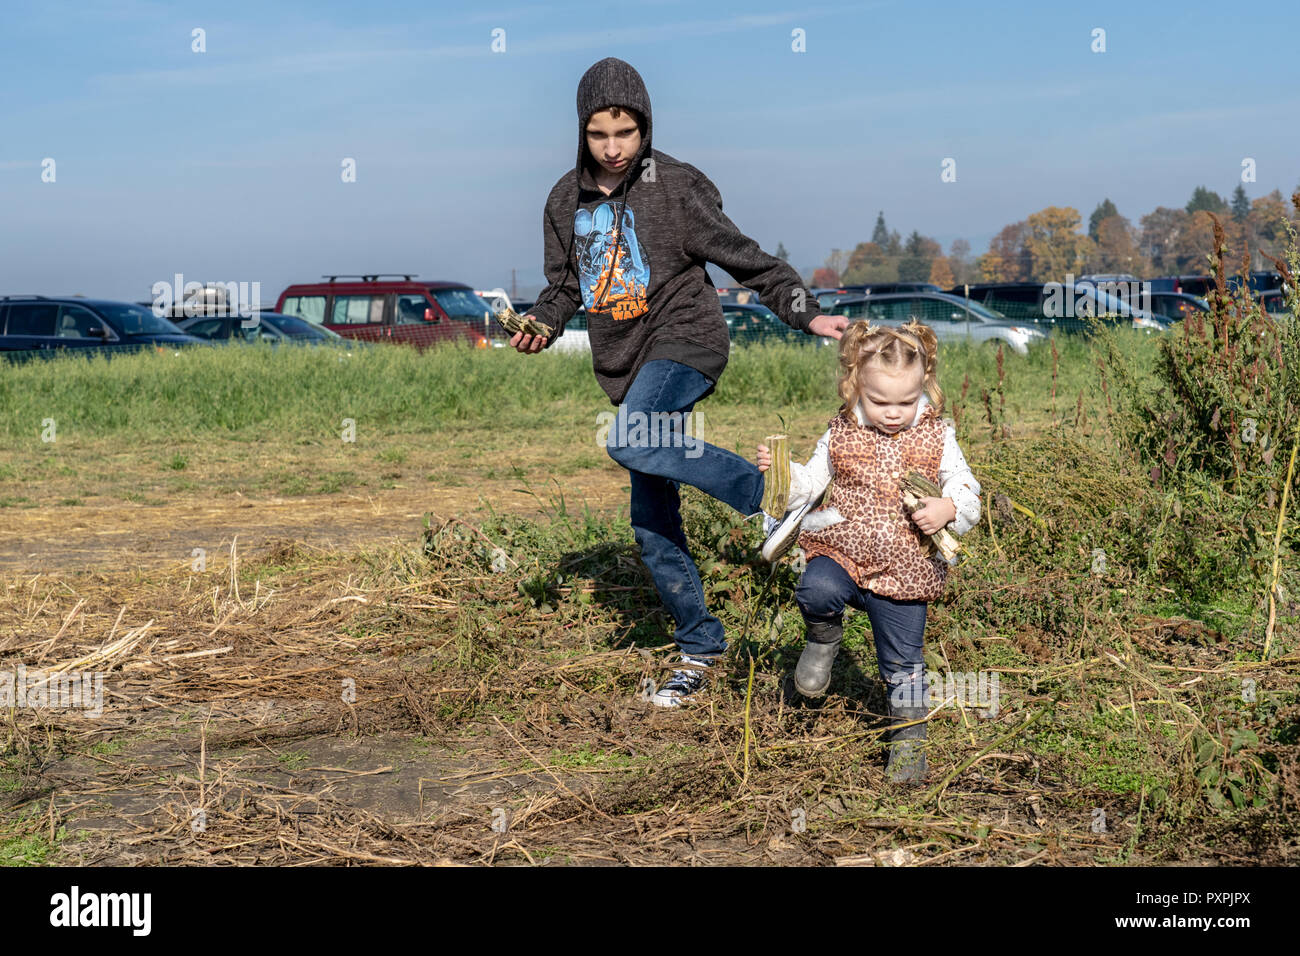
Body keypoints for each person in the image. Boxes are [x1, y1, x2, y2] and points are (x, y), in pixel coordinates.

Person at [509, 56, 847, 707]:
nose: (613, 149)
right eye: (599, 135)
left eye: (627, 133)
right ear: (581, 130)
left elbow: (747, 258)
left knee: (629, 439)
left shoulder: (677, 186)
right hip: (626, 362)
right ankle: (701, 647)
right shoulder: (561, 201)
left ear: (645, 127)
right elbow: (561, 290)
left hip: (686, 341)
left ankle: (776, 499)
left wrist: (803, 311)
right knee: (649, 519)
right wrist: (540, 327)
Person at [756, 319, 982, 782]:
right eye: (879, 401)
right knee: (816, 588)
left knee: (903, 663)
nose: (893, 412)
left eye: (906, 400)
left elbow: (965, 487)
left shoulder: (939, 435)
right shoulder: (840, 430)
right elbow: (812, 481)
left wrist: (948, 507)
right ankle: (822, 640)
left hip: (906, 565)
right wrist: (783, 471)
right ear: (855, 385)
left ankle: (908, 743)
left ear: (925, 387)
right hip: (843, 546)